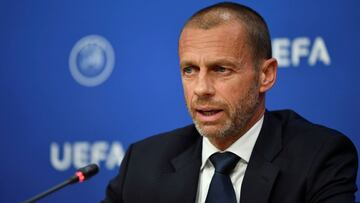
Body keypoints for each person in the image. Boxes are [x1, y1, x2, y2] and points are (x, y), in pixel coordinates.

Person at [103, 2, 358, 203]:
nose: (201, 89)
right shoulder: (144, 162)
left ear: (265, 75)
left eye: (221, 69)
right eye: (189, 70)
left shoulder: (318, 156)